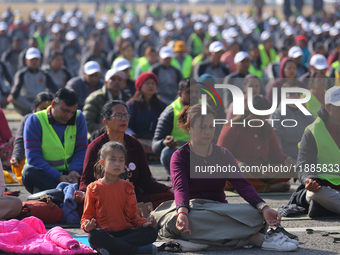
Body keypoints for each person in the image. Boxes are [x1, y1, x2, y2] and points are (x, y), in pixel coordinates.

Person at [151, 104, 298, 252]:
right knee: (176, 222)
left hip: (220, 210)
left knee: (256, 215)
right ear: (189, 128)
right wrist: (182, 213)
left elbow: (242, 184)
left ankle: (202, 241)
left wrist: (263, 207)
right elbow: (180, 188)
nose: (207, 132)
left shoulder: (223, 154)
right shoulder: (179, 156)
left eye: (211, 126)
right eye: (202, 127)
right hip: (193, 210)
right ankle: (253, 239)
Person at [77, 100, 174, 210]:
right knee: (82, 206)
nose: (124, 119)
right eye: (118, 116)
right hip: (105, 198)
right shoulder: (95, 146)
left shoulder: (135, 145)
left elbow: (146, 181)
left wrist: (167, 188)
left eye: (126, 115)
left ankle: (133, 210)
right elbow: (86, 180)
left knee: (171, 197)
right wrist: (83, 193)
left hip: (133, 197)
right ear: (106, 121)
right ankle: (134, 211)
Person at [81, 142, 158, 255]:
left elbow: (133, 217)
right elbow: (87, 217)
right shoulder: (93, 188)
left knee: (151, 232)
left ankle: (111, 249)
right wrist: (88, 226)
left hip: (125, 233)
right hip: (104, 234)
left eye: (121, 160)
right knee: (94, 236)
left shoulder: (128, 187)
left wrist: (145, 224)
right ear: (102, 163)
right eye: (112, 160)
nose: (117, 164)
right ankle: (136, 251)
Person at [217, 95, 295, 193]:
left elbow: (275, 153)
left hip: (260, 171)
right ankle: (269, 187)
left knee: (289, 170)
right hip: (239, 170)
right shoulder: (232, 128)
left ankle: (253, 185)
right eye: (258, 117)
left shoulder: (267, 127)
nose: (262, 120)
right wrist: (238, 164)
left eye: (265, 117)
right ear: (248, 112)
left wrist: (286, 159)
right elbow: (221, 156)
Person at [22, 88, 88, 194]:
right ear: (53, 104)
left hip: (71, 174)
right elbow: (34, 159)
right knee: (29, 173)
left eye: (72, 112)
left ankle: (60, 192)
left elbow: (81, 150)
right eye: (65, 110)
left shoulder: (79, 117)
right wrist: (59, 177)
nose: (69, 115)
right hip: (47, 174)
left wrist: (74, 171)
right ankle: (71, 191)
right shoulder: (35, 120)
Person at [296, 86, 340, 217]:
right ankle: (324, 206)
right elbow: (303, 165)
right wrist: (310, 180)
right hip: (323, 188)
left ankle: (325, 208)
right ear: (328, 108)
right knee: (315, 194)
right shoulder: (312, 131)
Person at [152, 78, 200, 174]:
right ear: (180, 94)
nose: (194, 95)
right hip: (181, 158)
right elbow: (155, 145)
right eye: (189, 92)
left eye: (196, 92)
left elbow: (219, 138)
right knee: (167, 152)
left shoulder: (206, 108)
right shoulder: (171, 111)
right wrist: (165, 143)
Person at [10, 92, 53, 184]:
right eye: (42, 108)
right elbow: (20, 140)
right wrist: (16, 157)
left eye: (49, 108)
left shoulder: (58, 120)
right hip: (34, 158)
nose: (46, 111)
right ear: (34, 108)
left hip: (53, 159)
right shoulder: (28, 119)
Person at [270, 80, 314, 161]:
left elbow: (317, 137)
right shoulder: (277, 115)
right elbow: (276, 144)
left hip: (309, 159)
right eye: (292, 93)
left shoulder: (308, 115)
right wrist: (284, 159)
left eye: (298, 93)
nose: (296, 96)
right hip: (288, 161)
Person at [7, 47, 58, 116]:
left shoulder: (45, 74)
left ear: (40, 60)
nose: (34, 61)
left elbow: (54, 88)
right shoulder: (21, 74)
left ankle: (37, 109)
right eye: (32, 59)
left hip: (41, 100)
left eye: (36, 59)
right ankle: (32, 110)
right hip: (26, 101)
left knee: (55, 96)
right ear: (26, 60)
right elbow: (16, 88)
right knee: (15, 98)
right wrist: (12, 95)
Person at [83, 68, 130, 137]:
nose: (117, 82)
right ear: (105, 82)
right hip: (97, 137)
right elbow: (87, 122)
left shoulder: (127, 99)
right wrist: (109, 130)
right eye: (113, 79)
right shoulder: (94, 98)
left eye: (119, 80)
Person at [126, 72, 167, 139]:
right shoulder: (131, 105)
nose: (151, 86)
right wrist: (131, 135)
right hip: (136, 141)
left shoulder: (162, 105)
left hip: (157, 142)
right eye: (147, 83)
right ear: (140, 86)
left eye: (153, 83)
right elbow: (127, 126)